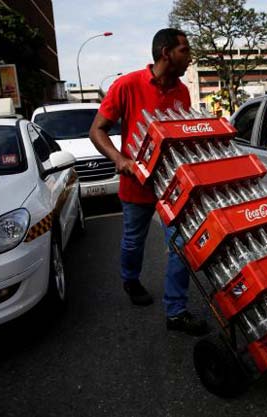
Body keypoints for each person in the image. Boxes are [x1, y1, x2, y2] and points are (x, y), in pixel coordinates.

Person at [89, 28, 208, 336]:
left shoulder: (182, 91)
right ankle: (130, 278)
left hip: (172, 184)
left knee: (181, 244)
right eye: (184, 50)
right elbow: (97, 130)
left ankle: (176, 310)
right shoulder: (127, 84)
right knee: (133, 241)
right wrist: (120, 160)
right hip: (136, 184)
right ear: (166, 52)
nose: (189, 56)